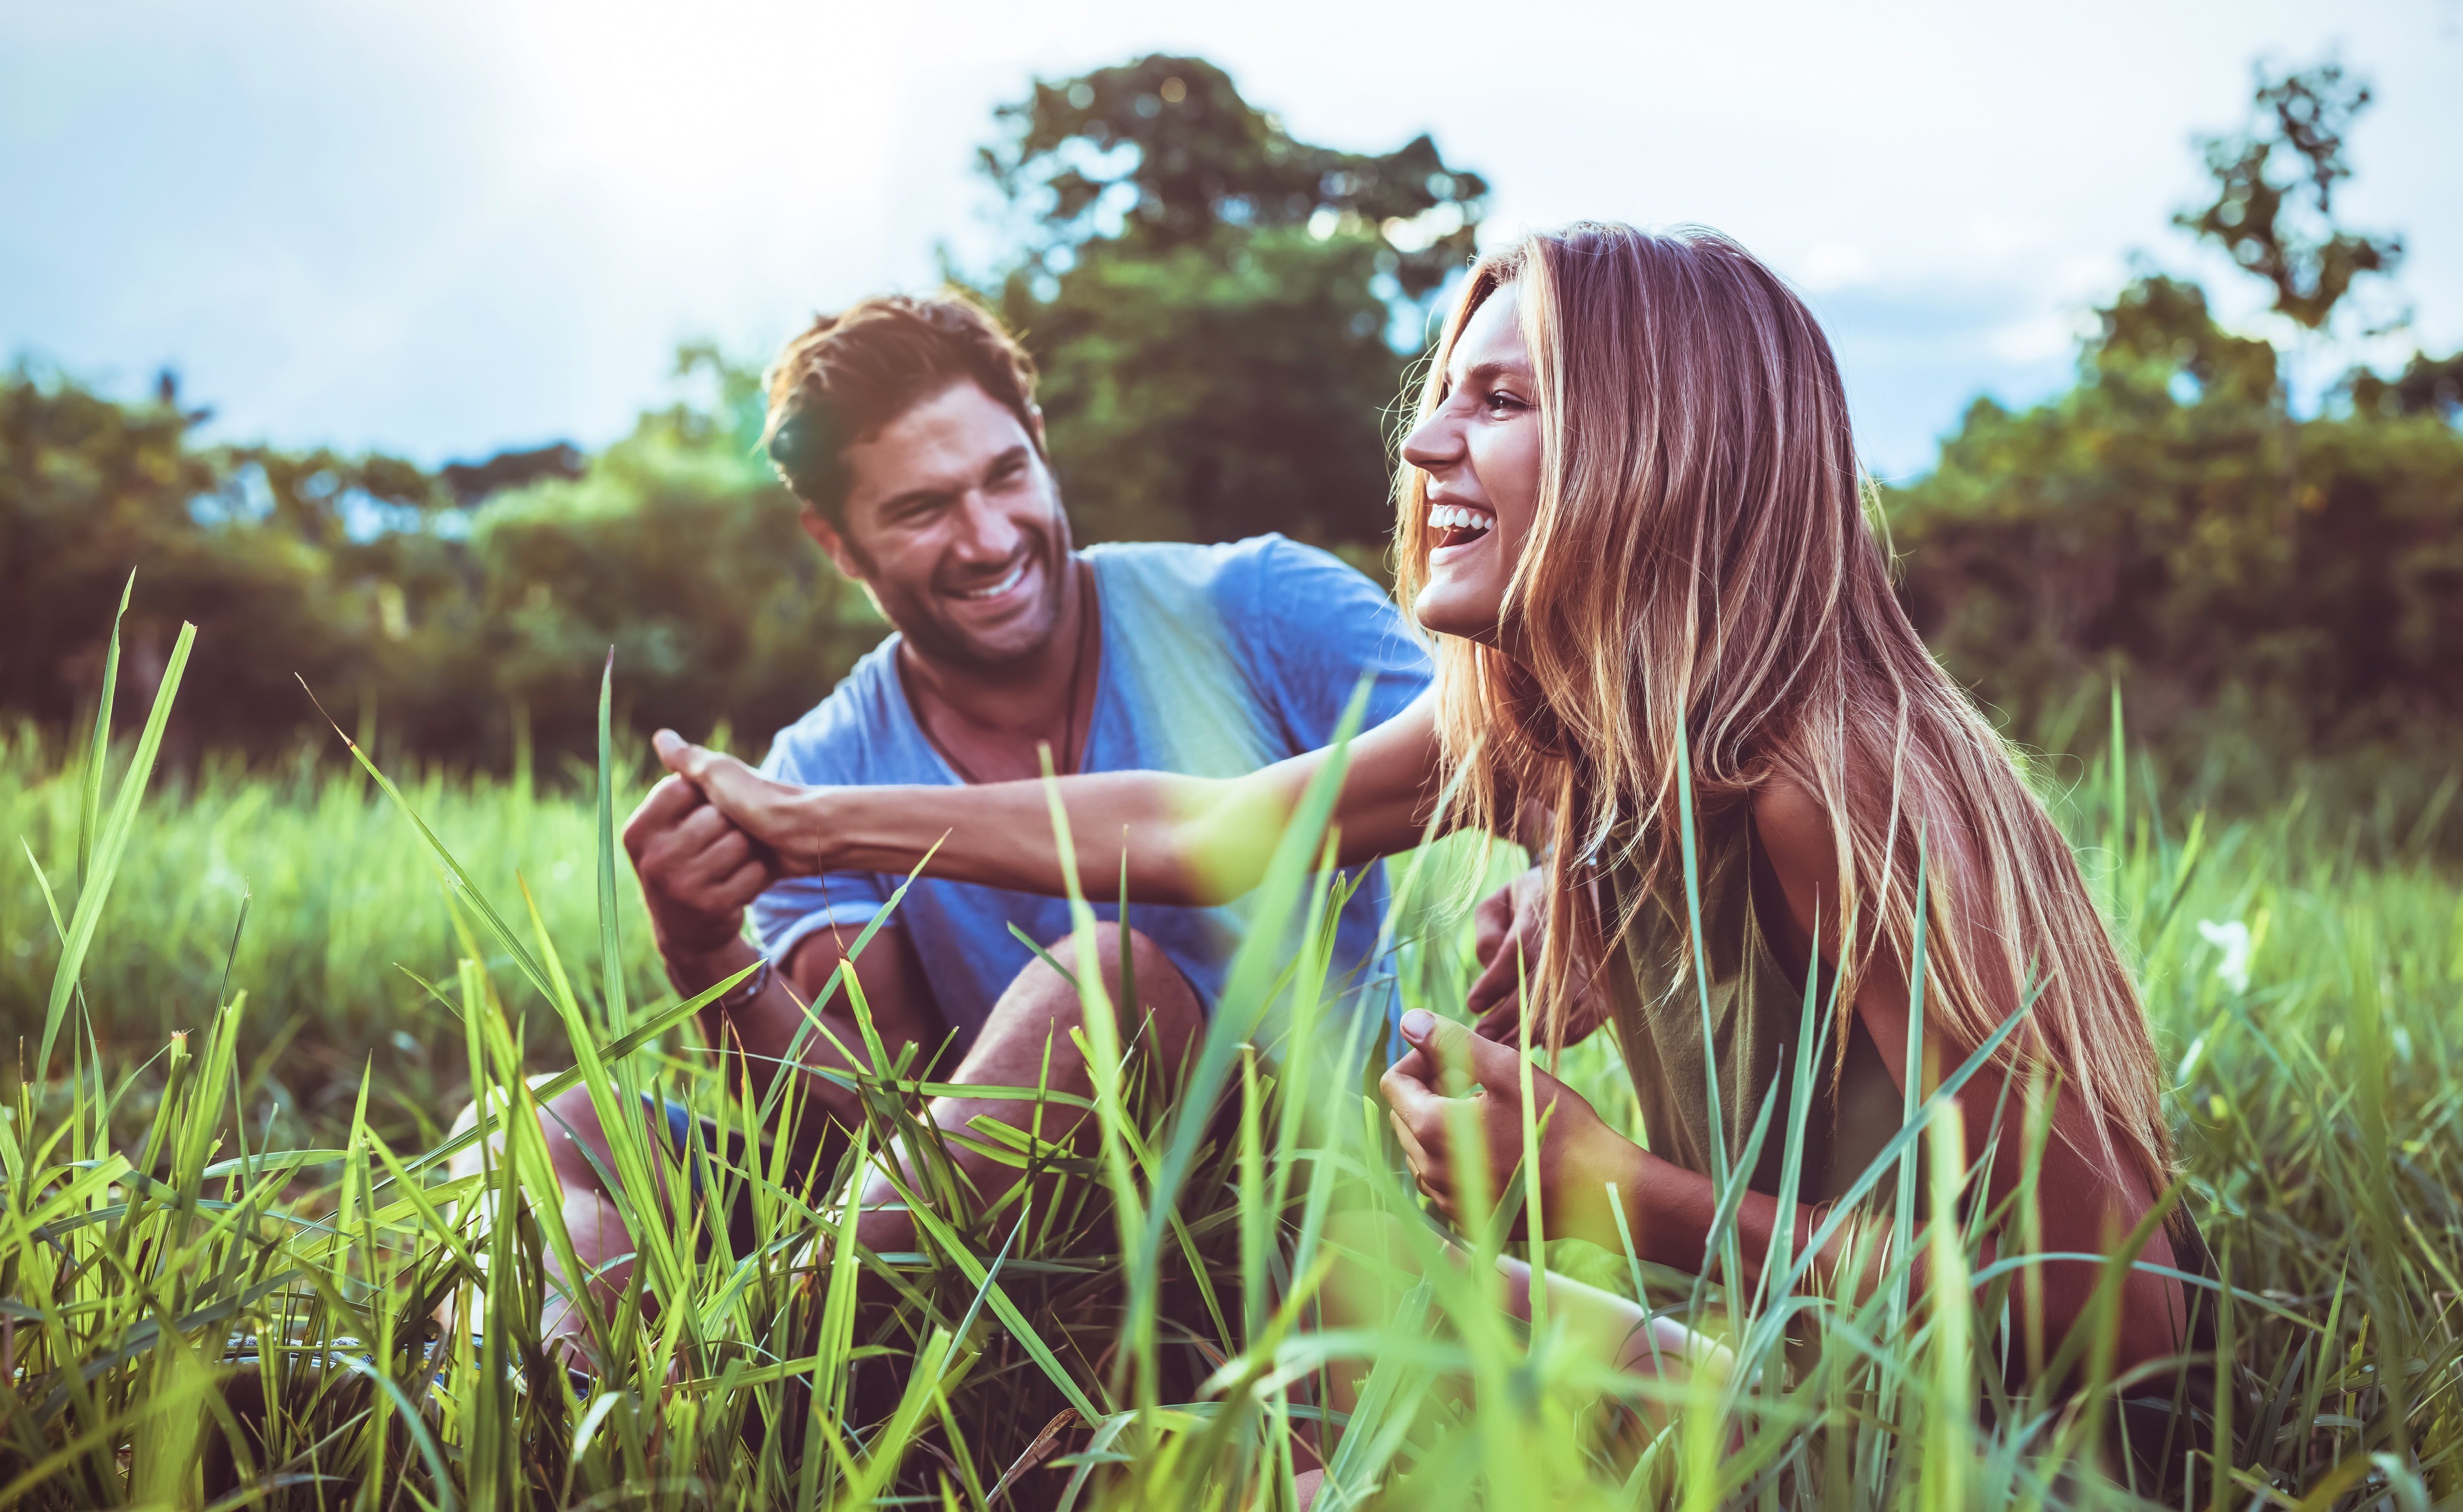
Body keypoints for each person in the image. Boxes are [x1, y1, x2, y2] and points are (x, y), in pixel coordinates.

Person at [661, 225, 2210, 1470]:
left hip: (1978, 1451)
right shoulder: (1564, 731)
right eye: (1442, 398)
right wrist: (803, 821)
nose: (1422, 450)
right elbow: (1198, 830)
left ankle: (748, 1417)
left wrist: (1607, 1184)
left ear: (1654, 445)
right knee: (1310, 1315)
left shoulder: (1830, 781)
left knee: (1341, 1356)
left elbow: (2110, 1319)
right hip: (1807, 1364)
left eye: (1499, 403)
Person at [463, 292, 1429, 1347]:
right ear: (837, 543)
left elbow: (1520, 759)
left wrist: (1549, 875)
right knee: (534, 1123)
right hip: (979, 1238)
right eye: (922, 510)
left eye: (1006, 476)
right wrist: (701, 952)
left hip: (1275, 1215)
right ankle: (546, 1398)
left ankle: (737, 1365)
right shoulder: (820, 762)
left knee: (1107, 983)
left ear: (1042, 446)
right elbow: (861, 1118)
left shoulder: (1263, 607)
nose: (987, 538)